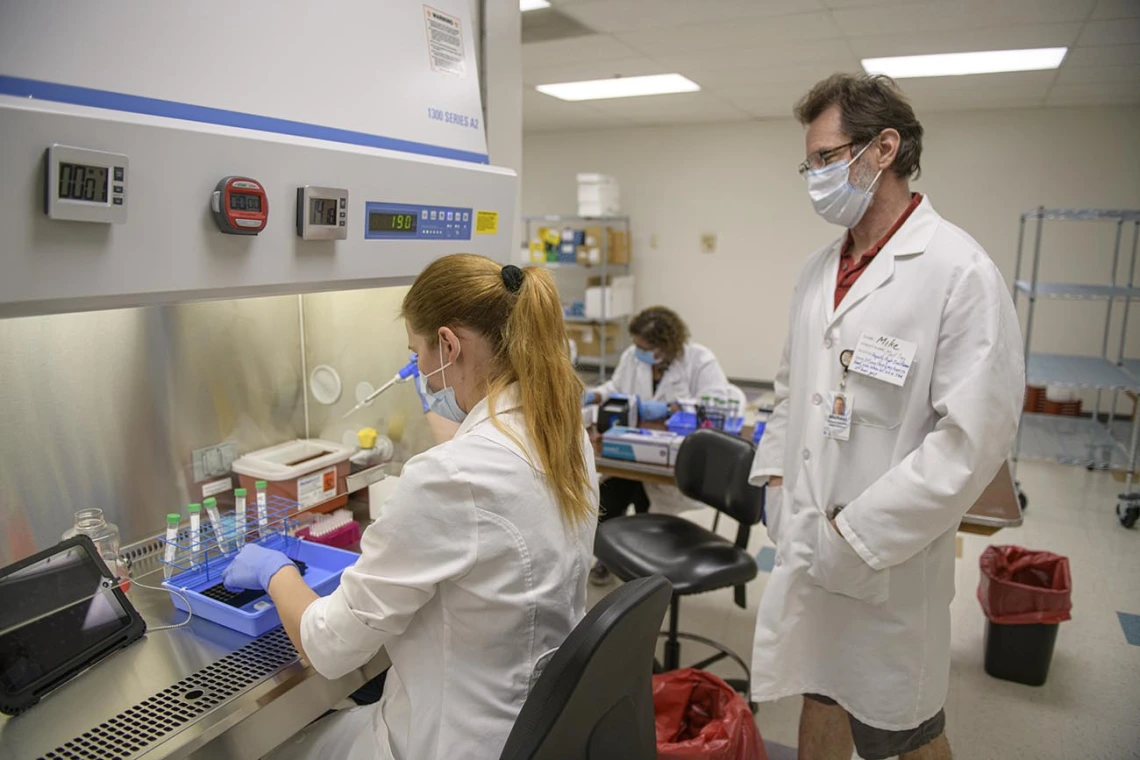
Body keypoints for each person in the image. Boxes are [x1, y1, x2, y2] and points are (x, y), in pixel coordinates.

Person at [222, 255, 599, 760]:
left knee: (269, 748)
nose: (421, 372)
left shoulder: (451, 476)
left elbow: (329, 646)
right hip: (532, 729)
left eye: (417, 352)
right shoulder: (564, 433)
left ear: (447, 345)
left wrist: (276, 571)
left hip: (447, 743)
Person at [749, 74, 1024, 760]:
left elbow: (973, 438)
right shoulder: (819, 272)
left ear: (884, 149)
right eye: (809, 162)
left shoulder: (958, 271)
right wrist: (777, 486)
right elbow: (790, 393)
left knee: (900, 726)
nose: (814, 176)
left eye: (825, 157)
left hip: (887, 559)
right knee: (818, 686)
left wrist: (860, 530)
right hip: (810, 540)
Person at [583, 306, 729, 584]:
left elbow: (715, 404)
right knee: (607, 499)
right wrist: (594, 396)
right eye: (636, 344)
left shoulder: (699, 360)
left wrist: (669, 408)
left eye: (645, 346)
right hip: (631, 447)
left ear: (666, 344)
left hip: (671, 452)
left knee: (647, 508)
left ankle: (645, 570)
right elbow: (616, 387)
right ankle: (608, 557)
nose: (638, 351)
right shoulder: (632, 357)